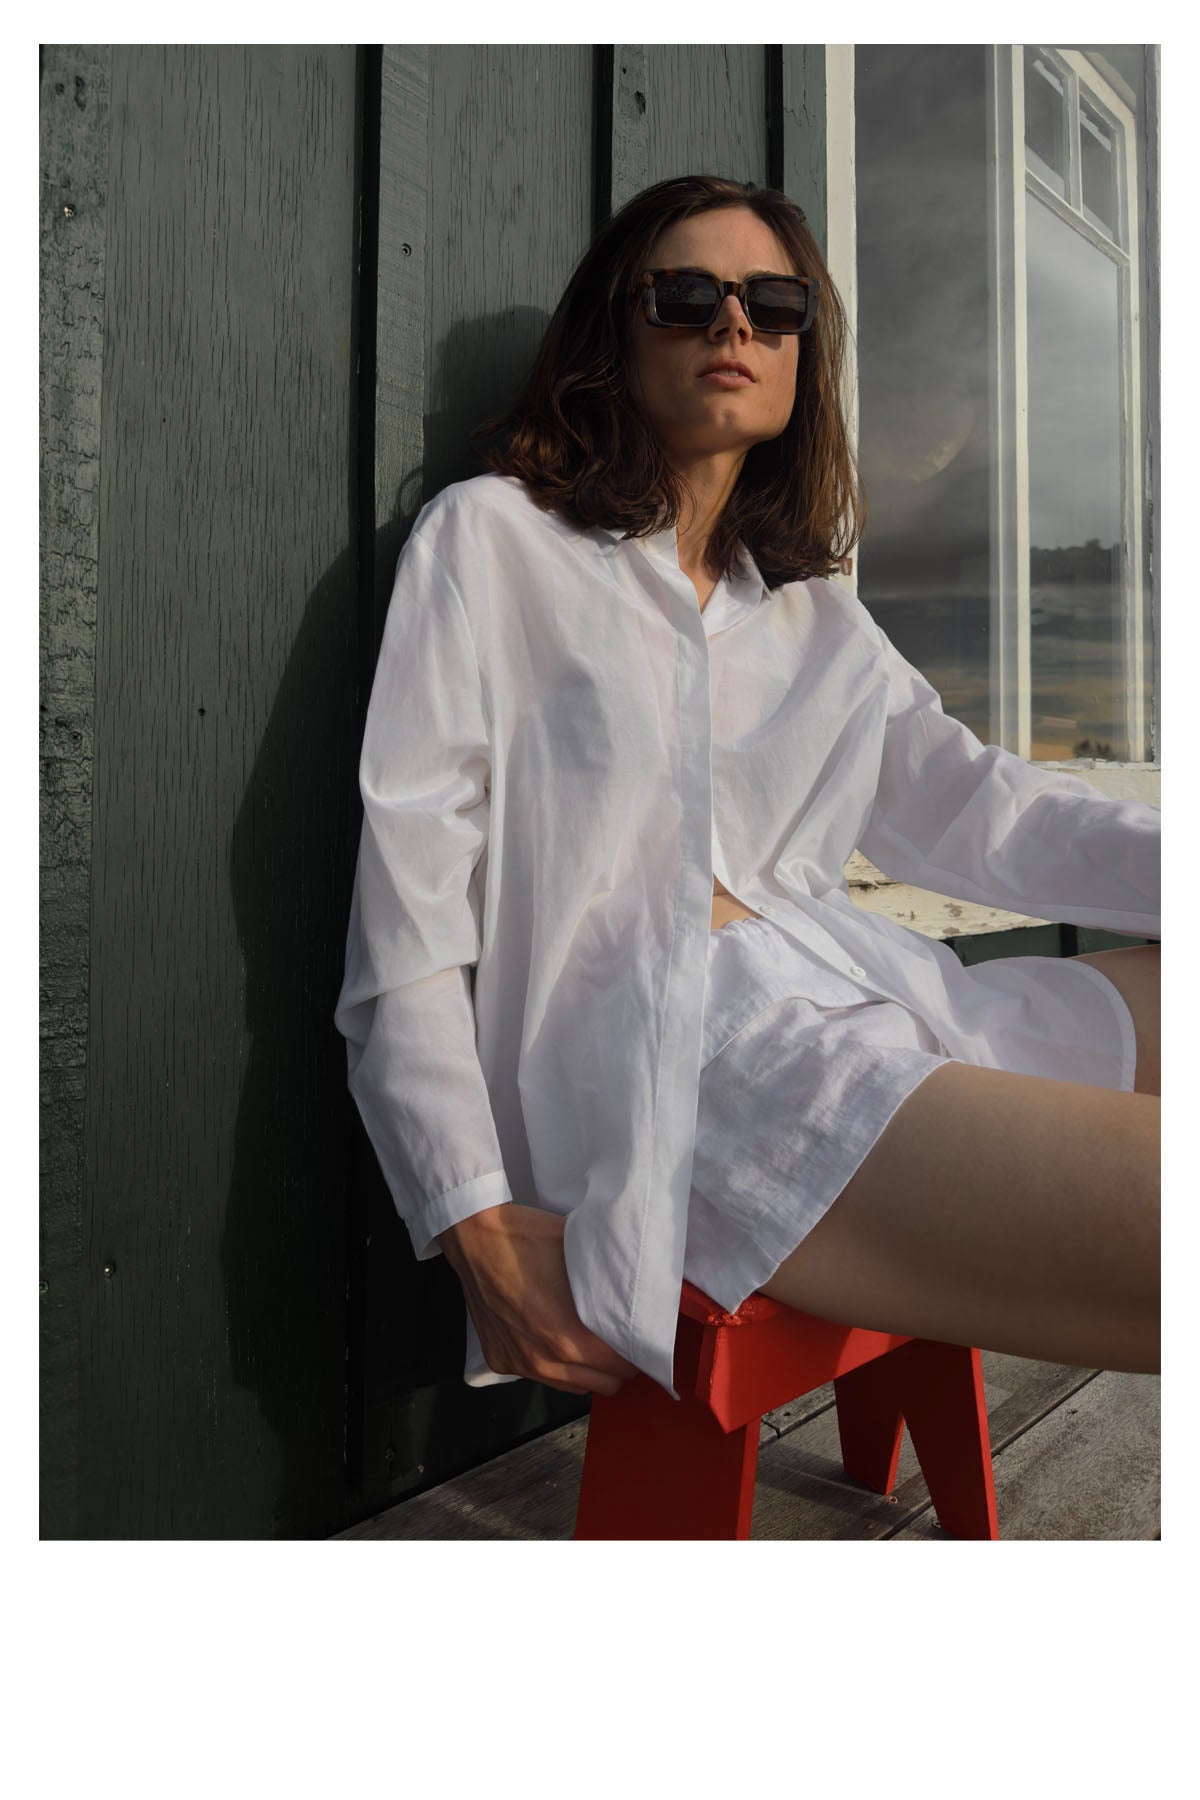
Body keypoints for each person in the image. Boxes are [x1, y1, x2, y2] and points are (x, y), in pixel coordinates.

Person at [335, 175, 1159, 1407]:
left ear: (800, 352)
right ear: (614, 333)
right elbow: (407, 914)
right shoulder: (492, 542)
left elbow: (988, 811)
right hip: (698, 1078)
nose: (734, 323)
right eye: (685, 296)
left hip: (873, 999)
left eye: (774, 304)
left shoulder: (812, 615)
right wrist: (471, 1215)